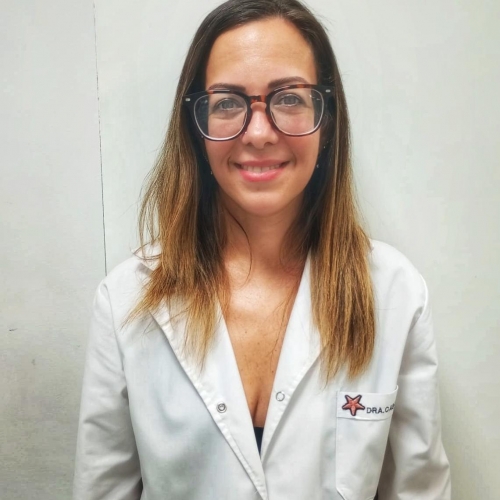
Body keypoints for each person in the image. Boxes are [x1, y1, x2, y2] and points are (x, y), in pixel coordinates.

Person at [73, 0, 451, 499]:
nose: (258, 133)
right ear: (195, 125)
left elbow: (419, 490)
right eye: (227, 102)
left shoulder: (395, 294)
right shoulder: (125, 302)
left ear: (327, 118)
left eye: (289, 98)